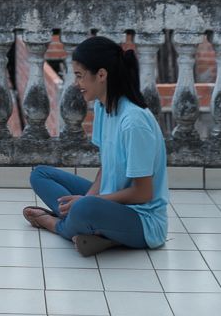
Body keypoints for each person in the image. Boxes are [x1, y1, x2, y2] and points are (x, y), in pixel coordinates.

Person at [23, 35, 168, 256]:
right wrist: (89, 197)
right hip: (108, 203)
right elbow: (106, 169)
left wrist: (87, 202)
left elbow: (143, 193)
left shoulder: (134, 123)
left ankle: (54, 224)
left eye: (80, 76)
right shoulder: (104, 107)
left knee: (83, 208)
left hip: (142, 221)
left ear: (101, 75)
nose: (76, 83)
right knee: (40, 175)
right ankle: (95, 232)